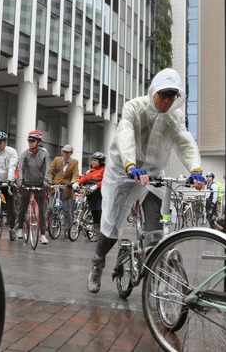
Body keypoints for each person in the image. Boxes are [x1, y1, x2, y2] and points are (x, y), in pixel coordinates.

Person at [86, 68, 204, 294]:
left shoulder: (176, 116)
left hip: (153, 174)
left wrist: (195, 169)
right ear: (153, 92)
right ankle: (97, 262)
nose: (167, 101)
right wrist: (130, 164)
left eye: (172, 96)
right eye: (163, 94)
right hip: (124, 171)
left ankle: (156, 275)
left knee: (156, 229)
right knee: (112, 224)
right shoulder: (134, 107)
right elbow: (125, 134)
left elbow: (184, 142)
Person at [16, 130, 50, 244]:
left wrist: (45, 182)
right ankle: (20, 228)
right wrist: (20, 182)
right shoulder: (25, 154)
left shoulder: (44, 154)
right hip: (26, 183)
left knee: (41, 210)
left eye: (32, 141)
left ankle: (43, 235)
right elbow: (21, 169)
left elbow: (46, 169)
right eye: (29, 140)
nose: (30, 143)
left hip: (39, 184)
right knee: (23, 207)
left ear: (38, 141)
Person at [73, 151, 106, 239]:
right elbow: (85, 178)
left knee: (100, 215)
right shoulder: (91, 171)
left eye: (95, 160)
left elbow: (106, 181)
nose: (92, 162)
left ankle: (103, 237)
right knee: (95, 215)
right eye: (92, 160)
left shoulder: (104, 170)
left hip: (101, 196)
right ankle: (97, 235)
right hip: (92, 196)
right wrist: (77, 182)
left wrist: (97, 185)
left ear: (101, 161)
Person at [47, 144, 79, 235]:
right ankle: (47, 225)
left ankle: (67, 229)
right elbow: (50, 171)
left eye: (67, 152)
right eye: (64, 152)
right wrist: (49, 181)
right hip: (55, 186)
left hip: (67, 188)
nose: (65, 154)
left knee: (67, 211)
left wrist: (72, 183)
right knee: (50, 207)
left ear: (71, 153)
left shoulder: (75, 162)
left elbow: (75, 174)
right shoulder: (57, 159)